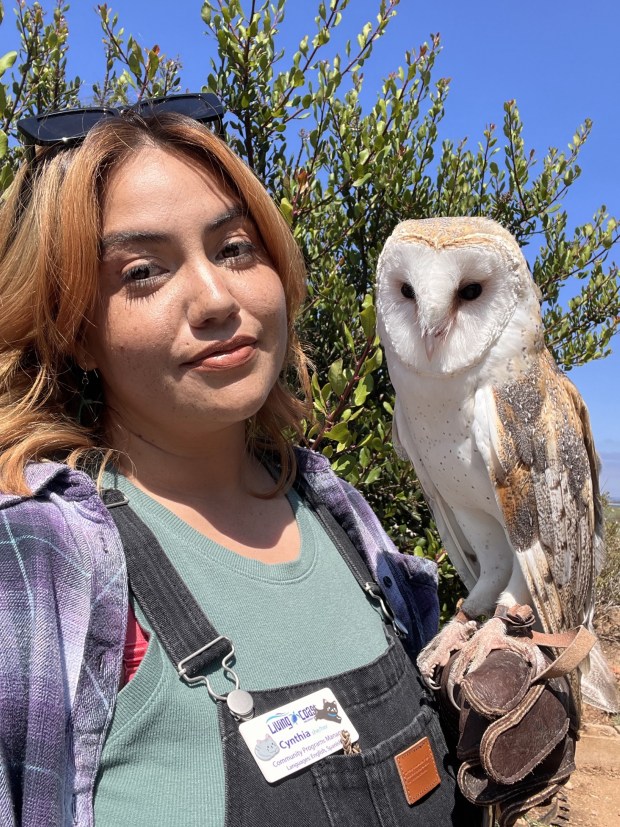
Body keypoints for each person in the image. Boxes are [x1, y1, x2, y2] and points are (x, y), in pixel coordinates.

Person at [0, 95, 478, 826]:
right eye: (143, 273)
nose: (217, 299)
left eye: (234, 249)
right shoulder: (44, 559)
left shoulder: (341, 515)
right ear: (74, 329)